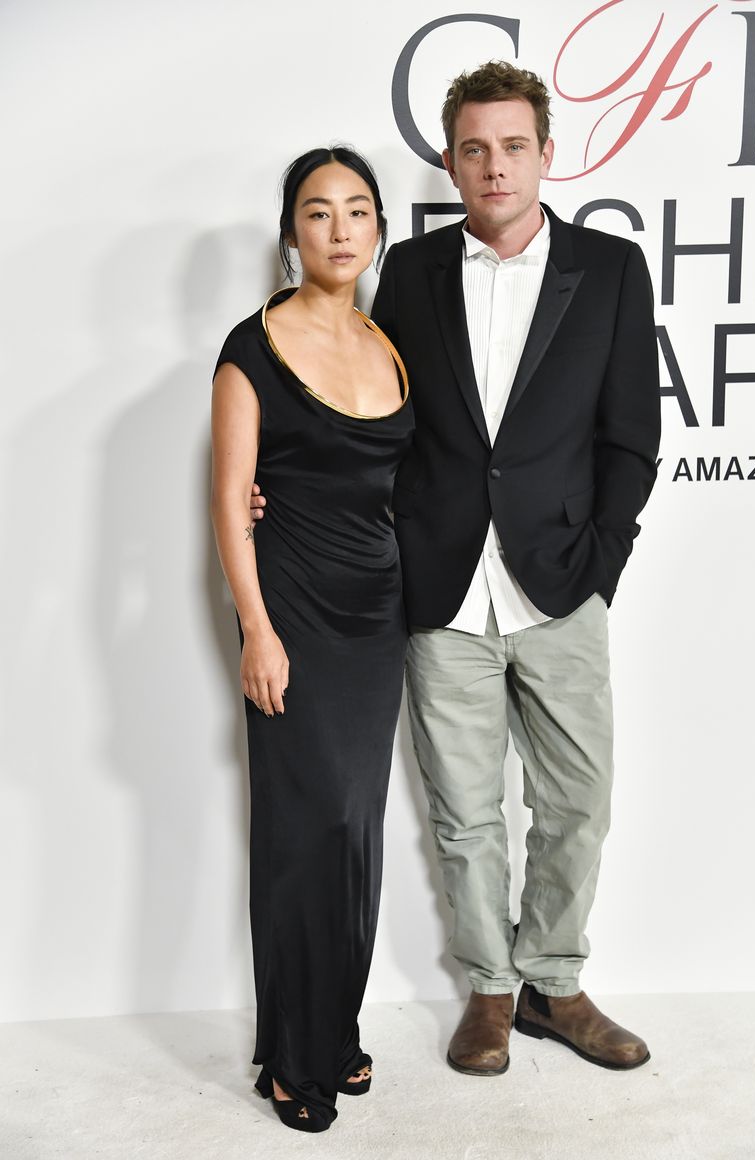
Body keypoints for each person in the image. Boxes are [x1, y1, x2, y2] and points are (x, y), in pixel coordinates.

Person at [252, 60, 661, 1077]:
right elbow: (368, 412)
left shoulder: (609, 269)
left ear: (543, 154)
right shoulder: (412, 273)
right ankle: (488, 986)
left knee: (578, 799)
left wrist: (599, 556)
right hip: (437, 584)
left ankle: (553, 983)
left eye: (511, 145)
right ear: (449, 157)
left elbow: (631, 437)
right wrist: (281, 486)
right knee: (463, 809)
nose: (492, 165)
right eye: (472, 147)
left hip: (559, 580)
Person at [211, 146, 413, 1132]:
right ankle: (292, 1056)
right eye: (318, 212)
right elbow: (226, 498)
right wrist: (255, 626)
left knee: (356, 830)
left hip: (377, 617)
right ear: (290, 232)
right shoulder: (250, 345)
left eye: (357, 210)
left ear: (376, 229)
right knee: (303, 829)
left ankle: (334, 1028)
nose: (339, 229)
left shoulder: (388, 345)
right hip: (289, 609)